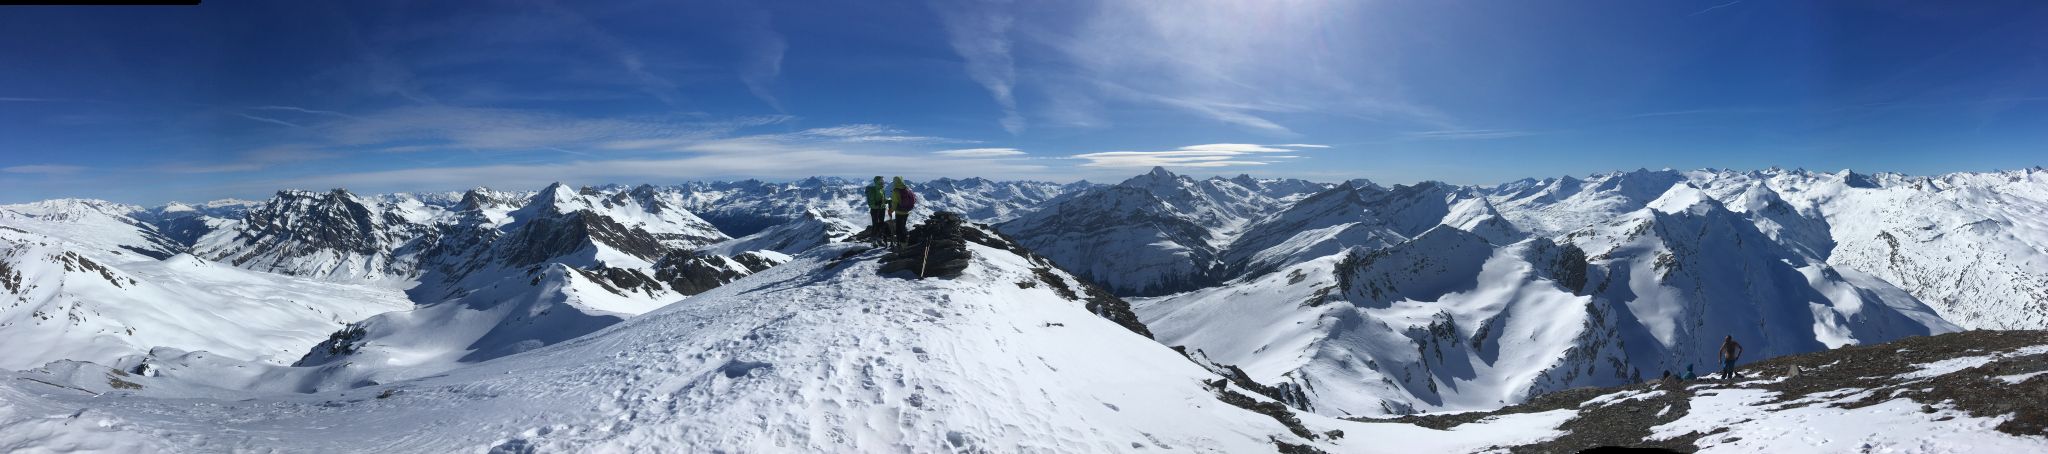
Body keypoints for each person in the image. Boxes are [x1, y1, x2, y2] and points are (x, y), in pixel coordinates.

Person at [890, 176, 917, 244]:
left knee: (899, 228)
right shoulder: (907, 189)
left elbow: (894, 203)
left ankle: (901, 243)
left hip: (899, 212)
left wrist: (891, 210)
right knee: (903, 226)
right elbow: (914, 199)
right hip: (906, 211)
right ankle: (904, 240)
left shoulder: (896, 191)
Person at [863, 176, 890, 243]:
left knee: (881, 224)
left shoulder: (882, 189)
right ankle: (874, 240)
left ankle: (879, 238)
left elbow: (883, 200)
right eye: (881, 181)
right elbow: (871, 203)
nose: (883, 182)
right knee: (875, 224)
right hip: (875, 210)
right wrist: (877, 205)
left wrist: (888, 201)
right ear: (877, 181)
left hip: (882, 209)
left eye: (883, 181)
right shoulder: (873, 190)